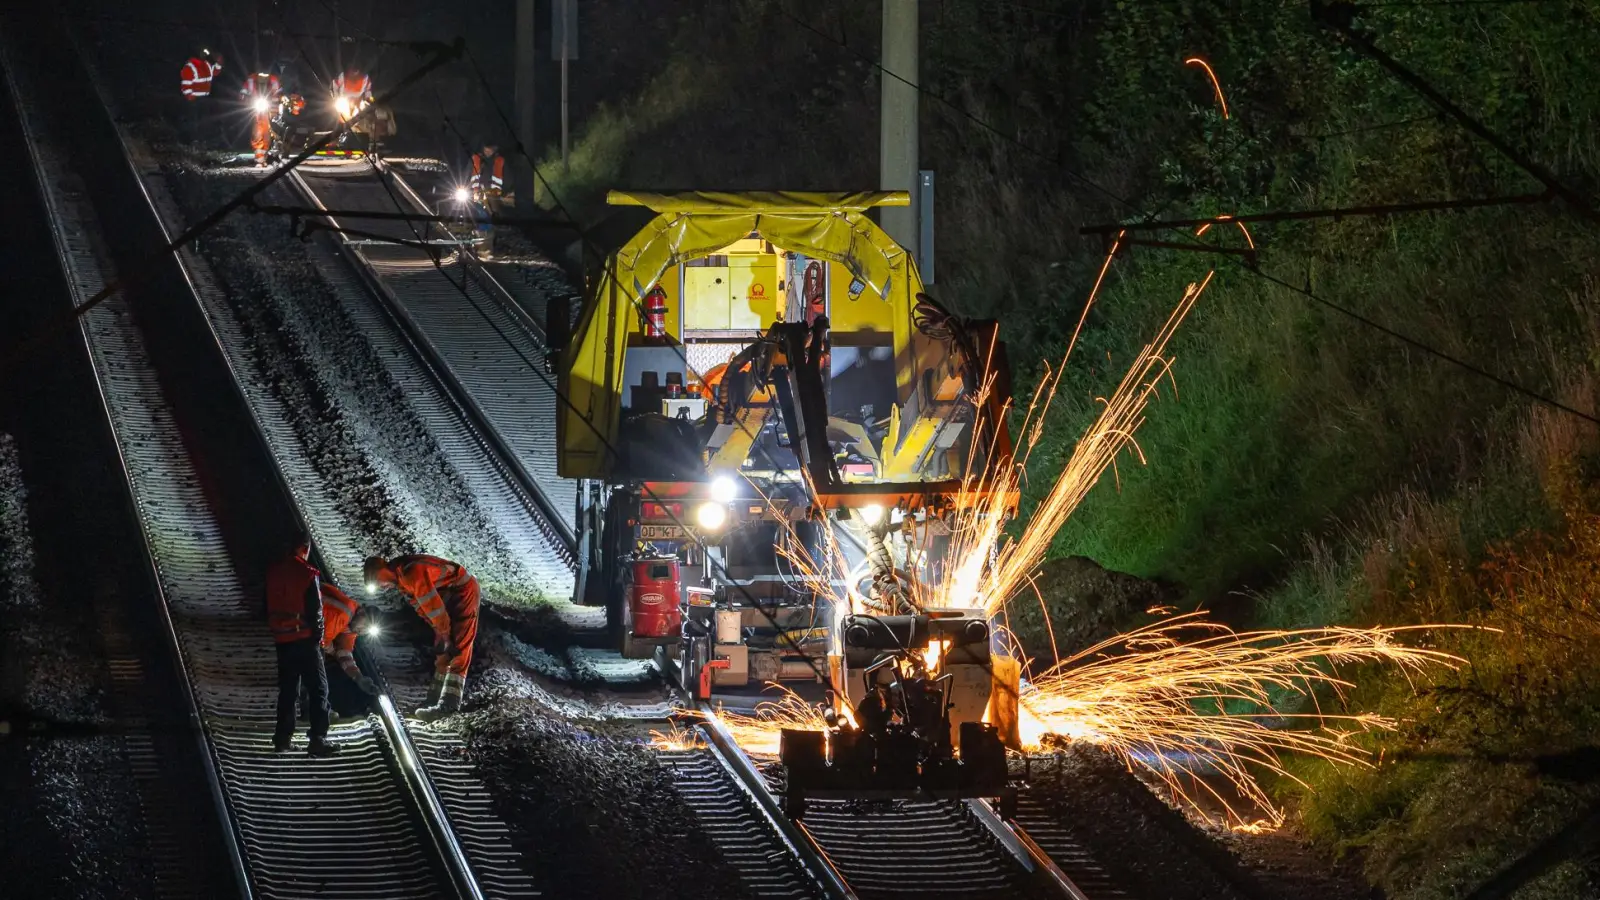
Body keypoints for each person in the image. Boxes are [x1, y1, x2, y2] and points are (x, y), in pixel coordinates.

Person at [363, 555, 479, 721]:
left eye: (378, 583)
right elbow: (424, 610)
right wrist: (439, 632)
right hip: (447, 594)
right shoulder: (402, 580)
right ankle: (434, 699)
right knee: (442, 648)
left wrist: (444, 633)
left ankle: (449, 705)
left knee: (459, 645)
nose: (382, 588)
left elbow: (435, 608)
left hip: (463, 590)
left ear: (380, 572)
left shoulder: (412, 573)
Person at [267, 535, 341, 756]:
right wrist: (318, 640)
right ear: (304, 548)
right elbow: (315, 610)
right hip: (305, 639)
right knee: (319, 690)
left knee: (288, 691)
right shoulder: (309, 573)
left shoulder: (273, 572)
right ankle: (318, 740)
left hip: (283, 640)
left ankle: (282, 740)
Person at [321, 583, 380, 696]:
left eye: (366, 631)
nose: (362, 631)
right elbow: (321, 640)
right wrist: (333, 650)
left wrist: (358, 677)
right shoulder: (344, 613)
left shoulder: (351, 624)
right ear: (361, 612)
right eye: (365, 625)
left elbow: (344, 653)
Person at [468, 143, 506, 259]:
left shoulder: (499, 161)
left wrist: (500, 193)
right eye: (486, 148)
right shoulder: (476, 159)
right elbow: (469, 174)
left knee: (487, 218)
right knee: (478, 217)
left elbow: (503, 178)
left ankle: (486, 249)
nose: (488, 151)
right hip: (476, 194)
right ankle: (479, 247)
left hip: (491, 196)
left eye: (490, 149)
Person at [240, 71, 283, 168]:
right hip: (256, 108)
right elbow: (243, 93)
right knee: (257, 133)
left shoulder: (274, 79)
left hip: (270, 108)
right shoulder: (251, 79)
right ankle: (259, 158)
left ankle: (265, 156)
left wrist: (276, 106)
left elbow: (279, 93)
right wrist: (245, 100)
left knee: (267, 133)